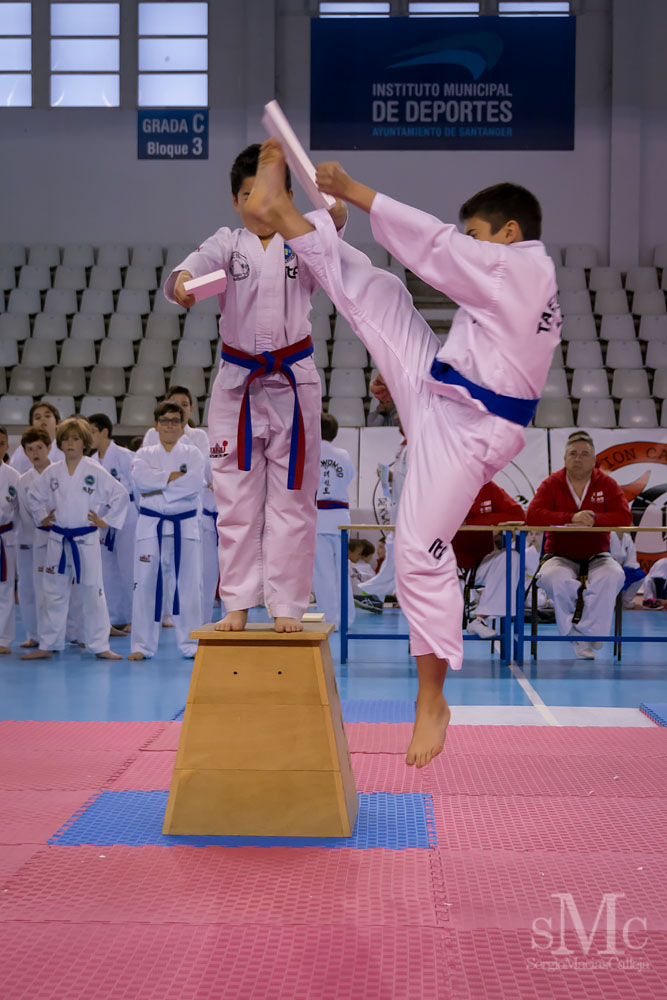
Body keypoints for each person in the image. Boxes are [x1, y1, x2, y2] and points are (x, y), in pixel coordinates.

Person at [244, 139, 560, 767]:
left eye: (478, 234)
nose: (468, 243)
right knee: (380, 296)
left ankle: (432, 697)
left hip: (471, 430)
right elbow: (449, 260)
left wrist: (357, 193)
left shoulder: (523, 268)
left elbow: (441, 249)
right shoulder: (517, 275)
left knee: (418, 549)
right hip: (445, 391)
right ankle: (283, 216)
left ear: (509, 232)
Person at [164, 143, 347, 634]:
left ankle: (287, 604)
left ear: (286, 197)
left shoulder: (301, 240)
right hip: (238, 386)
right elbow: (195, 266)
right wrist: (184, 281)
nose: (259, 207)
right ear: (235, 200)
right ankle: (238, 603)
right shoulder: (228, 243)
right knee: (236, 499)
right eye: (248, 196)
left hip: (293, 380)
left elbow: (333, 226)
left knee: (292, 497)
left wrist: (337, 207)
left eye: (270, 196)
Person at [22, 417, 128, 661]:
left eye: (76, 439)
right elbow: (34, 496)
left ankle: (100, 645)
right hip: (58, 539)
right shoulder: (53, 471)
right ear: (59, 443)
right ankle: (48, 644)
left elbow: (120, 495)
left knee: (93, 592)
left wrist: (106, 521)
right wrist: (42, 516)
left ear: (84, 443)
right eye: (66, 439)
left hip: (85, 539)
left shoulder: (94, 470)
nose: (70, 443)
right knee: (53, 592)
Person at [526, 431, 631, 658]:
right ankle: (579, 634)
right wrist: (570, 517)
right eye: (573, 453)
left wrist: (595, 519)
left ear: (594, 460)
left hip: (597, 555)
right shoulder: (552, 483)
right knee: (554, 578)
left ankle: (589, 633)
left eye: (584, 454)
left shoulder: (607, 483)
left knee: (613, 575)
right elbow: (533, 516)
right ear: (564, 459)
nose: (578, 458)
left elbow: (624, 517)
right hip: (559, 554)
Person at [128, 401, 204, 660]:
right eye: (165, 420)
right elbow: (140, 481)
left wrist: (158, 484)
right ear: (155, 425)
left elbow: (194, 484)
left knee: (189, 586)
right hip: (152, 527)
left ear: (183, 425)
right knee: (145, 585)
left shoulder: (193, 453)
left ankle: (191, 644)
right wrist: (170, 479)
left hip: (185, 527)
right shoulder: (144, 453)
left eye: (175, 420)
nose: (170, 425)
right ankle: (142, 645)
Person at [452, 482, 524, 639]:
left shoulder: (488, 487)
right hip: (444, 561)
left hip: (480, 560)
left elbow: (517, 514)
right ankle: (437, 630)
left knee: (511, 558)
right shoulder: (438, 486)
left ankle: (479, 620)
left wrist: (473, 522)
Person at [89, 413, 139, 632]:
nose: (88, 437)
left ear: (104, 432)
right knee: (108, 571)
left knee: (129, 569)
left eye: (91, 432)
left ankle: (135, 618)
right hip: (102, 521)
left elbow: (137, 489)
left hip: (127, 517)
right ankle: (115, 617)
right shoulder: (91, 461)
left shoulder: (126, 456)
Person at [312, 412, 355, 627]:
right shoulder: (344, 454)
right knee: (342, 571)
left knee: (323, 572)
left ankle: (330, 619)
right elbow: (348, 477)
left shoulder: (310, 453)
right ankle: (347, 617)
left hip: (319, 517)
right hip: (341, 518)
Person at [15, 428, 52, 650]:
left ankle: (71, 632)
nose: (35, 453)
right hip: (28, 538)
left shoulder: (58, 474)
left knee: (57, 590)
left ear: (49, 448)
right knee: (28, 589)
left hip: (56, 538)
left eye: (39, 447)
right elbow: (23, 512)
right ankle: (34, 635)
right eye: (30, 449)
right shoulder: (23, 480)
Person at [141, 386, 208, 458]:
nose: (179, 408)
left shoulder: (200, 436)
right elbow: (146, 462)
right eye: (174, 404)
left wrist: (181, 435)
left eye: (184, 405)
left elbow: (204, 465)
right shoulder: (153, 434)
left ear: (191, 409)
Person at [0, 426, 20, 654]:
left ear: (6, 446)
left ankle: (3, 640)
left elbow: (21, 514)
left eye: (1, 443)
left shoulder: (14, 477)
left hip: (5, 538)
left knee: (4, 590)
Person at [10, 401, 64, 474]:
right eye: (38, 417)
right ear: (32, 425)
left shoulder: (64, 448)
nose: (43, 419)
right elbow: (13, 476)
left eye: (47, 416)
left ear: (57, 423)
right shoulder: (22, 451)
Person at [609, 529, 645, 610]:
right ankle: (610, 601)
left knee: (640, 575)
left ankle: (625, 601)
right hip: (608, 566)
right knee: (616, 574)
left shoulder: (627, 538)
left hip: (623, 568)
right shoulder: (609, 535)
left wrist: (628, 568)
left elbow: (632, 560)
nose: (632, 524)